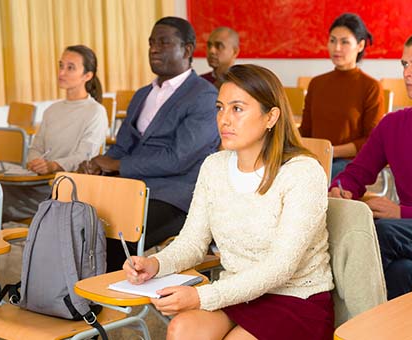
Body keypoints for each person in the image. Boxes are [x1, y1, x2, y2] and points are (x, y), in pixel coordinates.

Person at [123, 65, 335, 340]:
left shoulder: (302, 172)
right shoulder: (214, 166)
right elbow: (192, 242)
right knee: (181, 329)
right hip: (238, 292)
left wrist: (201, 296)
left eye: (237, 109)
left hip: (295, 298)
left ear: (271, 117)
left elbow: (281, 266)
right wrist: (155, 264)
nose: (224, 119)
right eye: (220, 108)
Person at [78, 17, 220, 271]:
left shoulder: (204, 96)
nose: (154, 49)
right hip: (132, 187)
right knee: (75, 221)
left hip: (174, 196)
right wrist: (99, 166)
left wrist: (118, 164)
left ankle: (106, 305)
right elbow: (122, 145)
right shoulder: (143, 94)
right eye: (151, 43)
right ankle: (67, 296)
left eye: (163, 43)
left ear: (187, 50)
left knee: (115, 239)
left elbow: (178, 158)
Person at [329, 29, 412, 300]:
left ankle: (338, 322)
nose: (407, 73)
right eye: (404, 64)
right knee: (400, 271)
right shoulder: (393, 125)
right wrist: (341, 188)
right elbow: (357, 172)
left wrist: (403, 214)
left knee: (381, 233)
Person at [2, 45, 108, 222]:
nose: (62, 72)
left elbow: (85, 157)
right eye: (61, 65)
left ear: (87, 76)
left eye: (70, 67)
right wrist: (35, 161)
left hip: (67, 187)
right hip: (40, 181)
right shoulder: (52, 110)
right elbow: (36, 147)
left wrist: (53, 166)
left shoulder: (95, 112)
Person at [300, 13, 385, 179]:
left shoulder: (371, 87)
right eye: (332, 40)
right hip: (315, 159)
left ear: (360, 45)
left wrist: (329, 152)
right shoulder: (316, 83)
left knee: (319, 178)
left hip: (349, 163)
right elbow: (305, 130)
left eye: (344, 42)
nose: (336, 48)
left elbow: (371, 140)